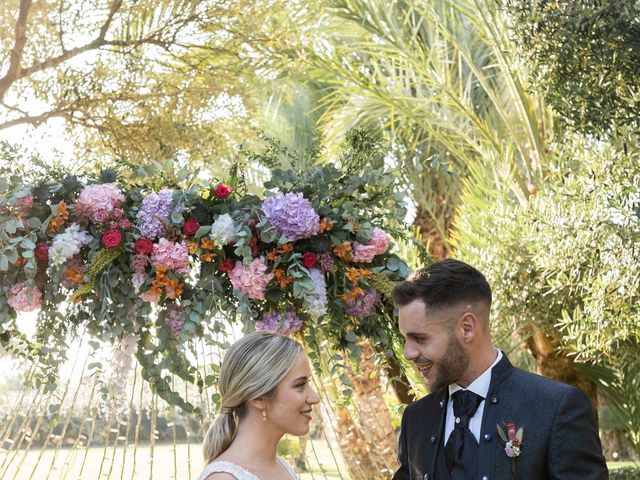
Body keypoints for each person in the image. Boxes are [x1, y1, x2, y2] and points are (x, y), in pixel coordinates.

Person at [391, 259, 608, 480]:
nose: (408, 353)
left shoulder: (556, 408)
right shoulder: (416, 419)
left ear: (466, 328)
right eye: (405, 339)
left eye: (420, 338)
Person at [198, 331, 320, 480]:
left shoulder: (281, 466)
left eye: (309, 383)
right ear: (258, 398)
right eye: (300, 385)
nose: (315, 397)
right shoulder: (224, 478)